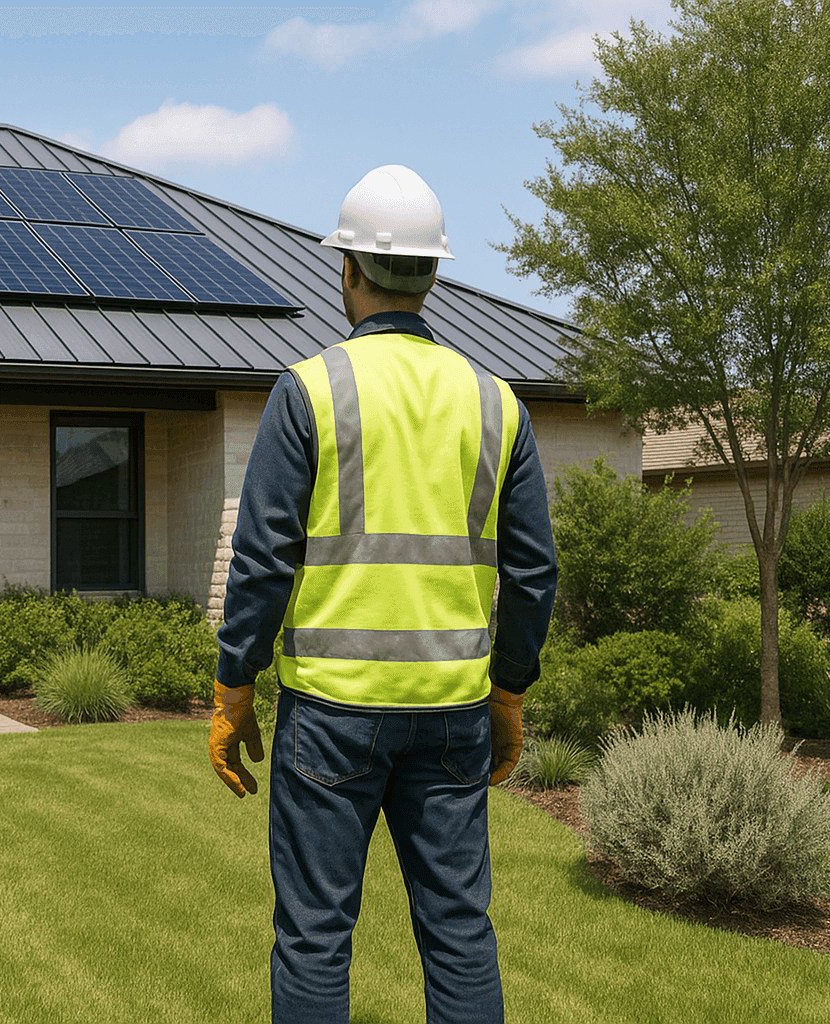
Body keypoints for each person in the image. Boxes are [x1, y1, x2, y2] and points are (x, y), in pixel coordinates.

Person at [208, 165, 558, 1024]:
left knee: (317, 935)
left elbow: (260, 561)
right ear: (434, 274)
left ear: (348, 271)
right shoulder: (498, 404)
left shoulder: (309, 393)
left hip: (333, 713)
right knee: (459, 932)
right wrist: (508, 690)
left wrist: (233, 687)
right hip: (453, 716)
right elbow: (535, 572)